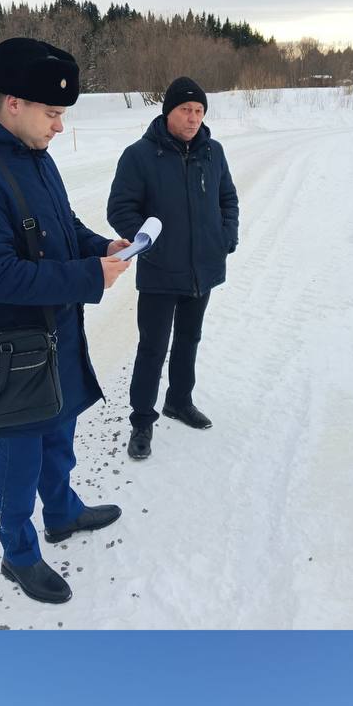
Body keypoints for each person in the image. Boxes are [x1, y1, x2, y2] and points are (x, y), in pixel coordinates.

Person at [0, 37, 131, 605]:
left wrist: (107, 248)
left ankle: (63, 511)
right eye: (53, 114)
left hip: (57, 330)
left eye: (64, 114)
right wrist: (89, 277)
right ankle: (18, 552)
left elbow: (63, 226)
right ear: (14, 102)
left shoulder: (36, 158)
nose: (58, 126)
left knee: (62, 427)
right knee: (20, 450)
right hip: (12, 345)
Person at [107, 77, 239, 461]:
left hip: (202, 269)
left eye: (199, 111)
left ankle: (179, 401)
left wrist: (225, 237)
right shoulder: (140, 156)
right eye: (185, 110)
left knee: (189, 340)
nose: (193, 117)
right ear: (168, 112)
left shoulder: (213, 152)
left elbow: (227, 198)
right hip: (161, 272)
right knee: (152, 348)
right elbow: (120, 209)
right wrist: (148, 241)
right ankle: (142, 422)